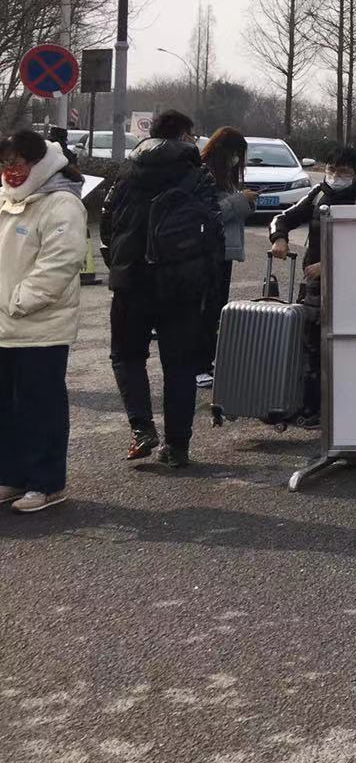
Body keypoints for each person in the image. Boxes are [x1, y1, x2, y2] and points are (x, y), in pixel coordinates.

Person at [101, 109, 222, 468]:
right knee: (180, 366)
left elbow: (107, 223)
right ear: (183, 136)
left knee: (126, 356)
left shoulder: (127, 171)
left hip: (131, 281)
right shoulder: (197, 175)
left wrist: (120, 264)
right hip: (182, 284)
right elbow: (212, 230)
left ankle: (142, 428)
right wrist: (204, 277)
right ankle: (178, 446)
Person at [0, 130, 88, 512]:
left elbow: (60, 262)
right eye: (5, 163)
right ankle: (11, 476)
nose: (11, 170)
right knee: (7, 407)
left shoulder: (61, 203)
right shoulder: (6, 198)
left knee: (41, 407)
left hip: (40, 327)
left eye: (17, 162)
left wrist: (20, 301)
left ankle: (46, 483)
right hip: (5, 327)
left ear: (37, 163)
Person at [267, 145, 356, 425]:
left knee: (348, 349)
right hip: (314, 288)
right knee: (311, 347)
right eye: (332, 170)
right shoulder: (318, 194)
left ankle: (350, 409)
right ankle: (312, 407)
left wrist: (329, 265)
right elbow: (282, 218)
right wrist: (279, 238)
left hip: (353, 290)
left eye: (344, 171)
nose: (336, 176)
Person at [196, 127, 255, 389]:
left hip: (223, 251)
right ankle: (199, 366)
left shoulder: (223, 176)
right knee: (207, 311)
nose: (238, 161)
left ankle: (207, 362)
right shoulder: (205, 175)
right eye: (236, 154)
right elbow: (211, 214)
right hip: (209, 252)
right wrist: (241, 200)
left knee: (216, 310)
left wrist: (246, 201)